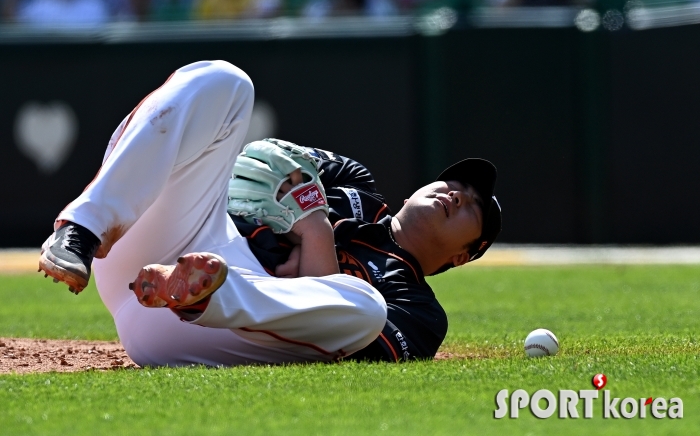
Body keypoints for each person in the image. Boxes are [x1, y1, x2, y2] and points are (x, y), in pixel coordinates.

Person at [38, 60, 501, 366]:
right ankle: (82, 230)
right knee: (226, 81)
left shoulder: (420, 311)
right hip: (173, 245)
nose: (457, 193)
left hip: (208, 328)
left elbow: (346, 351)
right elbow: (263, 163)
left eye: (473, 205)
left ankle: (201, 292)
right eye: (454, 182)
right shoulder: (354, 181)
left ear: (463, 255)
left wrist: (313, 228)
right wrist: (280, 229)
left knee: (368, 309)